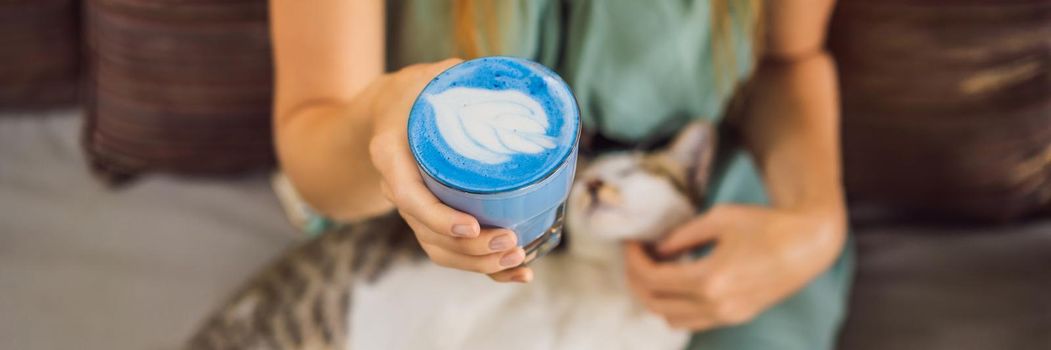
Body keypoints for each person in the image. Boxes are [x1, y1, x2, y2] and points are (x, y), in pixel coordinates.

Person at [270, 0, 852, 349]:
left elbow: (787, 62)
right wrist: (379, 115)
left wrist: (816, 222)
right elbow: (313, 143)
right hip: (434, 228)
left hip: (690, 215)